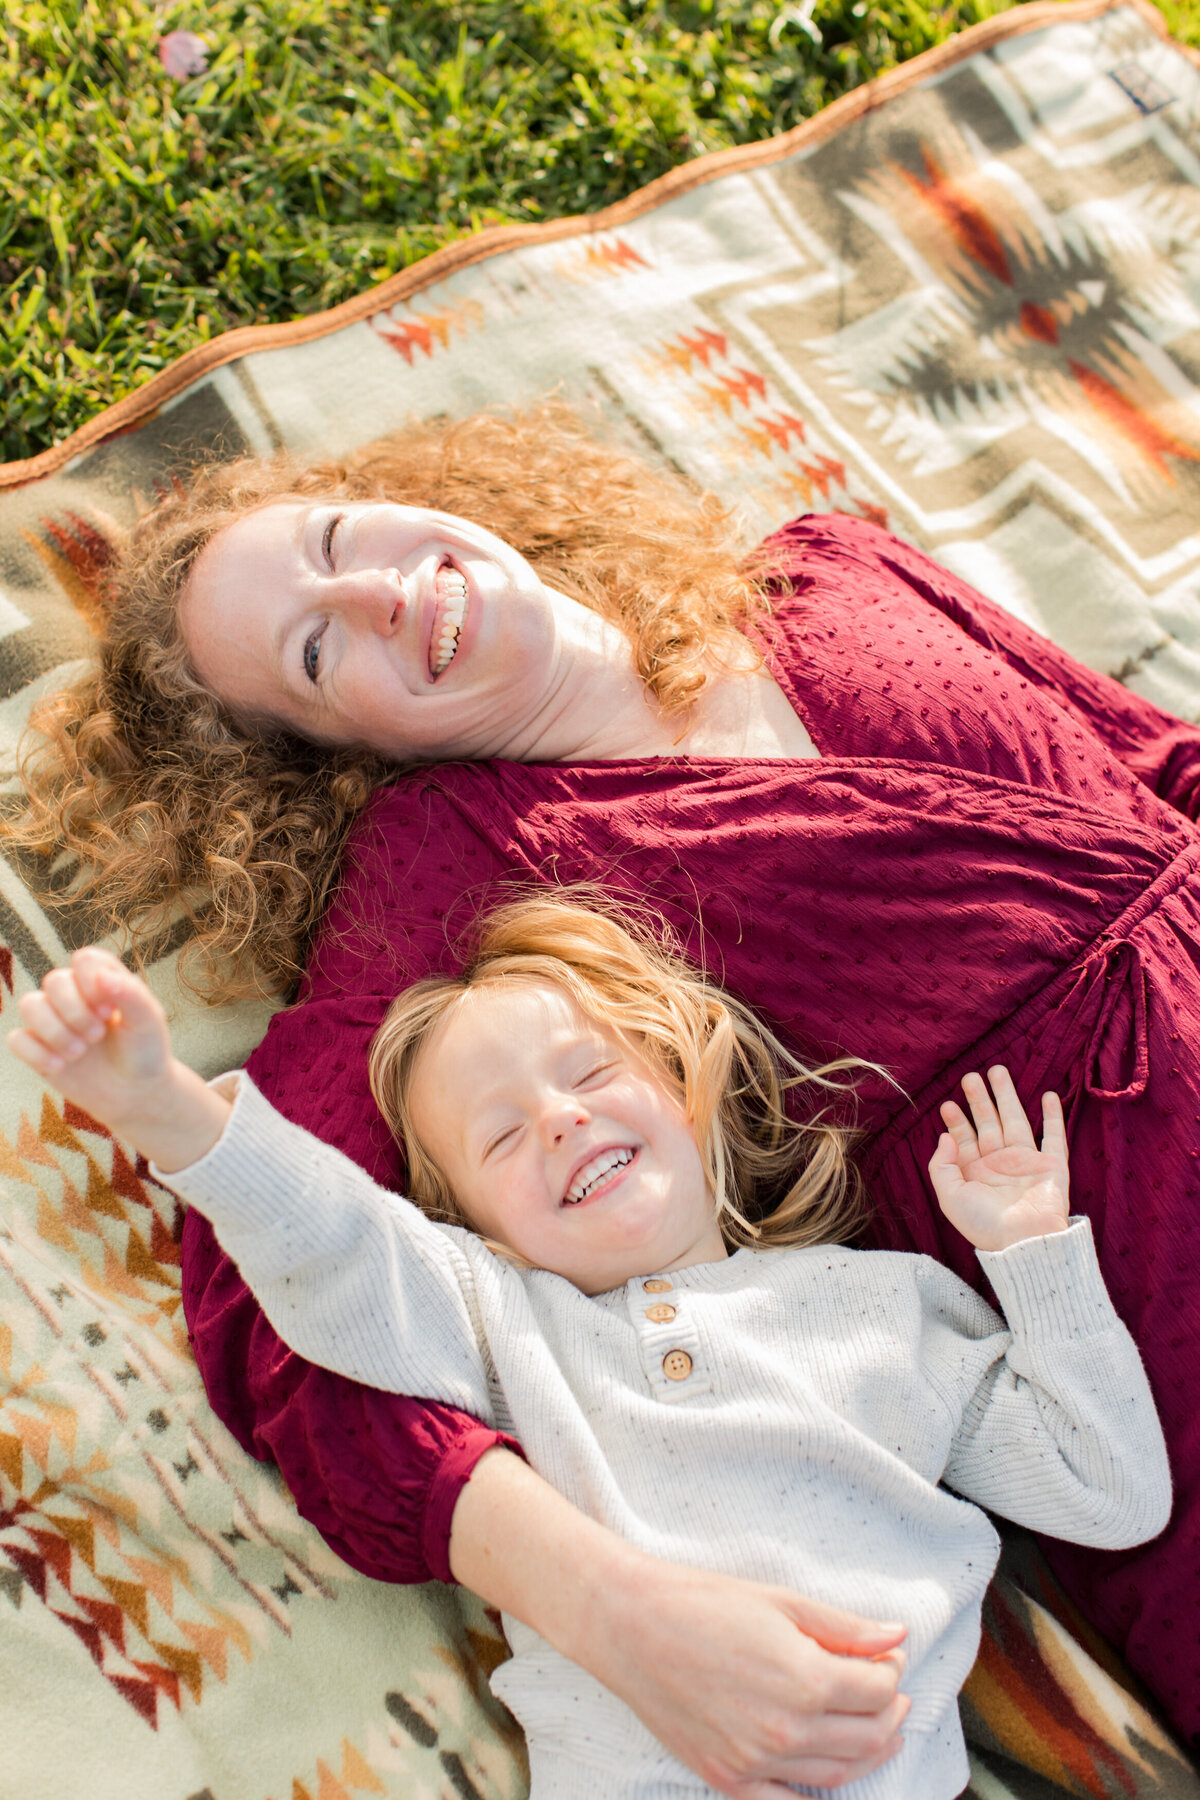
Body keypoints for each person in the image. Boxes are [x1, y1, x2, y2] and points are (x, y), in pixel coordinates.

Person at [8, 404, 1200, 1760]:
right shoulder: (445, 876)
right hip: (1148, 1280)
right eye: (319, 650)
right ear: (340, 754)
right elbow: (277, 1316)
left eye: (341, 540)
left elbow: (1162, 766)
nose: (381, 593)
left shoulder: (833, 571)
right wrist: (614, 1610)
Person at [5, 900, 1170, 1800]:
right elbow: (340, 1247)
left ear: (685, 1083)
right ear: (476, 1227)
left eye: (591, 1073)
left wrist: (1033, 1256)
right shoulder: (512, 1325)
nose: (559, 1118)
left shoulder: (889, 1310)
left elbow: (1106, 1491)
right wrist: (166, 1108)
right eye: (504, 1135)